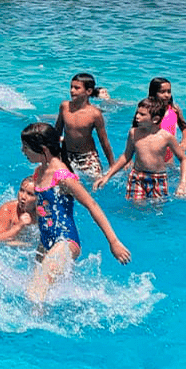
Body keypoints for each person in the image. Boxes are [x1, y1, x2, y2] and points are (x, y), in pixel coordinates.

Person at [19, 122, 130, 303]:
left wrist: (114, 242)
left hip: (65, 241)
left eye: (26, 147)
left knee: (35, 293)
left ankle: (34, 329)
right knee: (33, 288)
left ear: (44, 150)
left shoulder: (62, 176)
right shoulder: (39, 171)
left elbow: (92, 205)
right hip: (45, 241)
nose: (23, 150)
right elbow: (43, 207)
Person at [94, 97, 186, 201]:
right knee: (136, 207)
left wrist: (183, 184)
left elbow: (184, 159)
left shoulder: (166, 137)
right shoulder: (134, 133)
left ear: (155, 119)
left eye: (142, 114)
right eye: (137, 113)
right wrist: (107, 176)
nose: (137, 116)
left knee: (157, 209)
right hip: (137, 177)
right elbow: (126, 156)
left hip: (158, 178)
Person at [54, 73, 115, 182]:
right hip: (67, 153)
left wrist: (112, 166)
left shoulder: (95, 114)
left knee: (97, 183)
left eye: (77, 88)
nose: (72, 90)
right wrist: (52, 155)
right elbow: (57, 131)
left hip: (87, 156)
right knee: (62, 183)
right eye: (71, 87)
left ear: (89, 91)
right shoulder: (64, 107)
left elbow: (104, 141)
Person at [146, 77, 186, 162]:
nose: (166, 95)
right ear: (154, 92)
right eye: (162, 92)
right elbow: (136, 132)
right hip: (150, 158)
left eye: (169, 91)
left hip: (169, 158)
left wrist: (185, 140)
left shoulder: (174, 109)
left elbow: (184, 128)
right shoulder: (147, 111)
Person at [0, 178, 38, 243]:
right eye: (21, 190)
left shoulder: (43, 213)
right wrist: (19, 225)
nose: (23, 197)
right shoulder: (7, 210)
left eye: (30, 194)